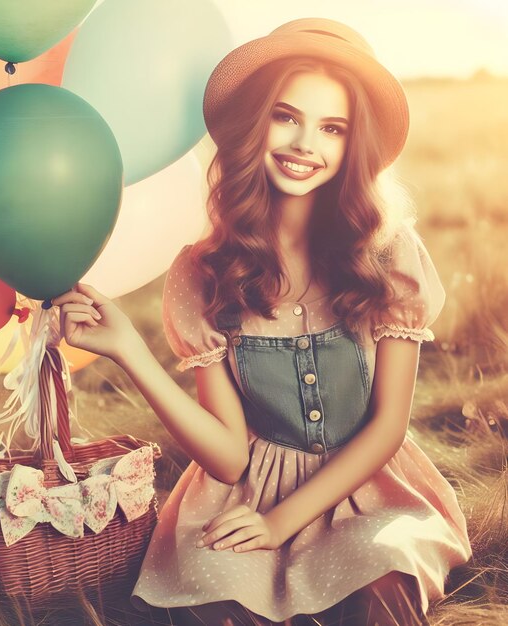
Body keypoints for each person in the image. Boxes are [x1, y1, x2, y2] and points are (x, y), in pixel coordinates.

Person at [51, 18, 472, 626]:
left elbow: (385, 429)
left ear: (355, 146)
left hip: (368, 487)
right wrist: (129, 352)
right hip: (248, 489)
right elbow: (227, 457)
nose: (306, 143)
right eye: (287, 116)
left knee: (382, 575)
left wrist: (284, 523)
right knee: (218, 595)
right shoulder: (201, 273)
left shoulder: (388, 256)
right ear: (255, 123)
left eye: (332, 128)